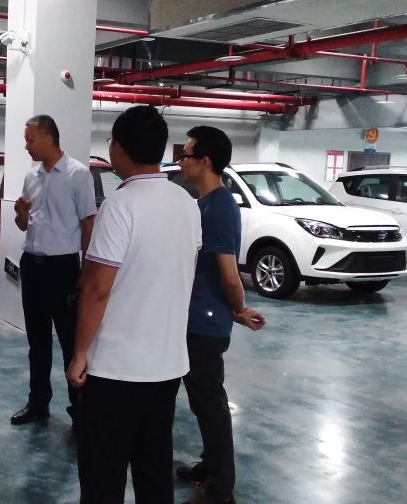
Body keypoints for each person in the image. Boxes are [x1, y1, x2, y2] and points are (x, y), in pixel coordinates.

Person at [67, 105, 201, 503]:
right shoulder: (186, 203)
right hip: (166, 365)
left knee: (103, 475)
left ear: (120, 149)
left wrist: (79, 353)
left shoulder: (119, 205)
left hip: (116, 370)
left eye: (111, 140)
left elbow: (97, 289)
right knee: (153, 469)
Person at [175, 126, 265, 504]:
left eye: (186, 153)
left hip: (205, 323)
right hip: (195, 316)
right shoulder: (204, 204)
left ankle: (221, 488)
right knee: (202, 402)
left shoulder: (221, 206)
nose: (181, 160)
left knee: (210, 404)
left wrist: (239, 309)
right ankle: (209, 467)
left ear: (205, 161)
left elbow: (228, 274)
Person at [11, 114, 97, 426]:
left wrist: (85, 272)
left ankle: (80, 410)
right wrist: (21, 214)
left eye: (29, 139)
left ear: (48, 138)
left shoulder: (78, 175)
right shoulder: (31, 177)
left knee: (70, 342)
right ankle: (38, 403)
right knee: (37, 341)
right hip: (32, 265)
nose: (26, 146)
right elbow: (24, 225)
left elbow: (88, 224)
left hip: (63, 269)